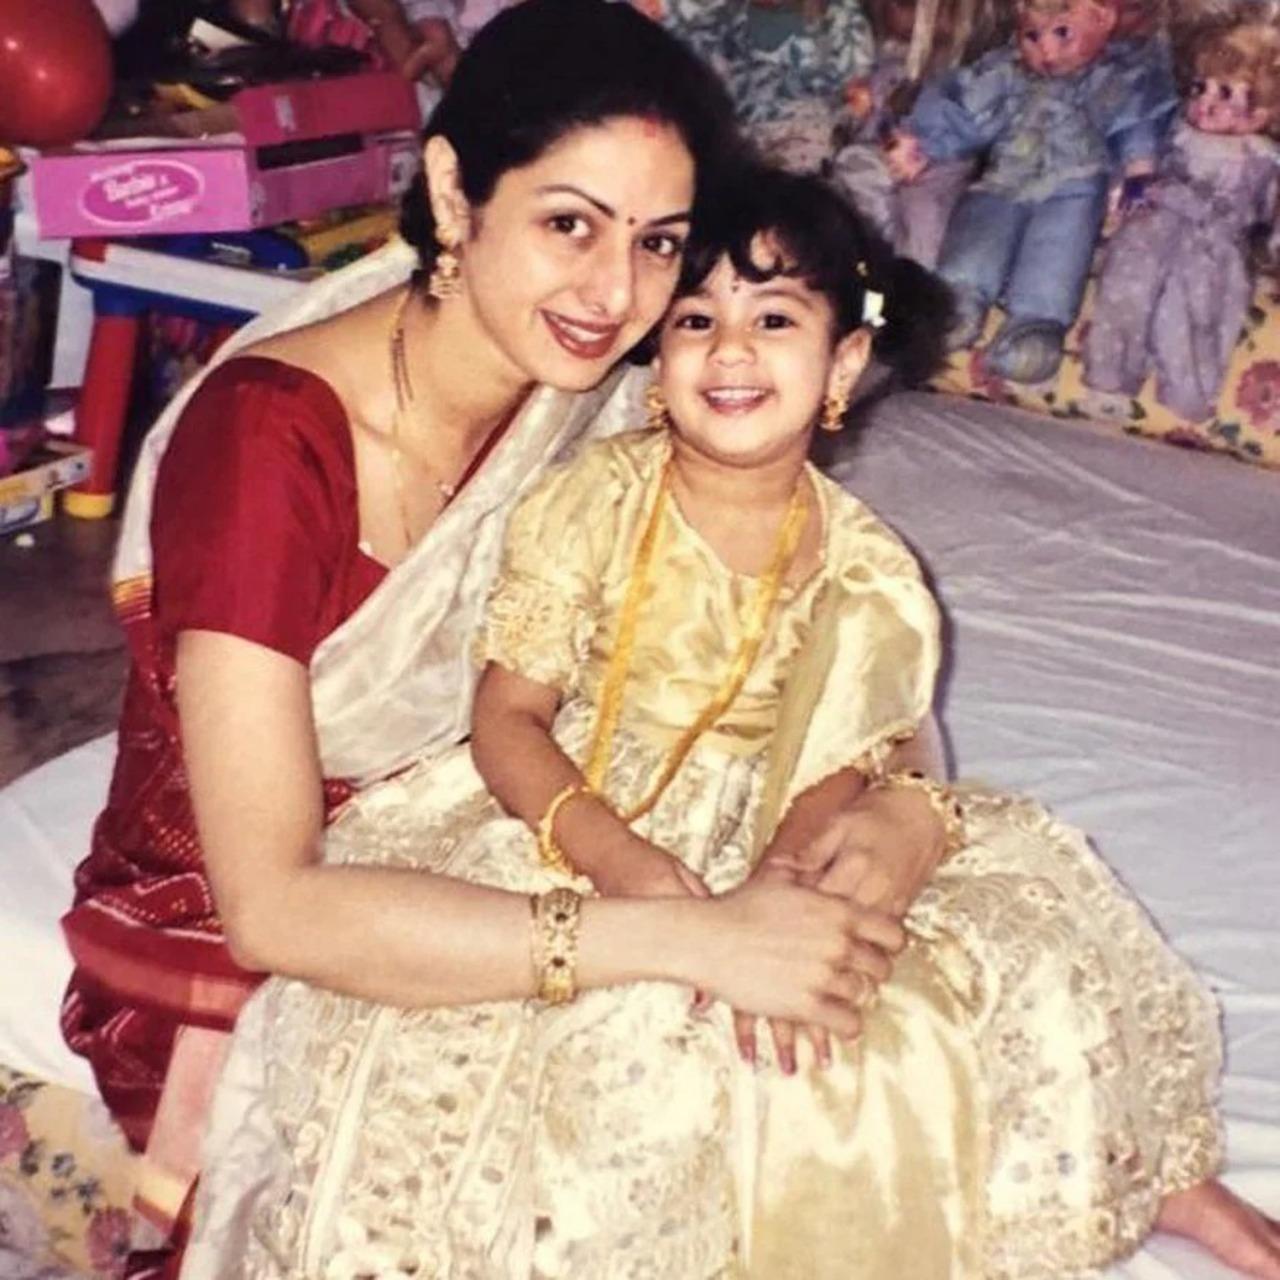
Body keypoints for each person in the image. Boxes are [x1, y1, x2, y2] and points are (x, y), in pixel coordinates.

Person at [186, 164, 1280, 1278]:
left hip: (787, 824)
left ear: (842, 361)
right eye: (695, 320)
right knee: (609, 1038)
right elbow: (505, 719)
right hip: (573, 812)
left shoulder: (868, 571)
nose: (729, 350)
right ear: (655, 359)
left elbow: (852, 751)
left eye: (773, 319)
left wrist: (784, 895)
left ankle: (1134, 1168)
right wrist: (617, 860)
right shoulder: (590, 502)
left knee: (1013, 953)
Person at [58, 3, 905, 1274]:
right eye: (568, 223)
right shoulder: (269, 444)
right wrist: (680, 932)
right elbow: (273, 907)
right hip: (233, 923)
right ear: (454, 192)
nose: (613, 292)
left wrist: (898, 815)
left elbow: (824, 595)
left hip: (507, 828)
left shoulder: (608, 401)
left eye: (656, 243)